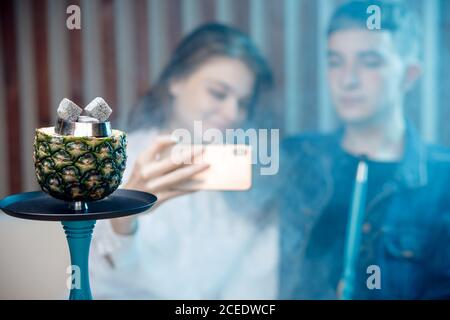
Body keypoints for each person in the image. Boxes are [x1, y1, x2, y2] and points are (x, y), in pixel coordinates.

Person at [90, 23, 276, 299]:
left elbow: (251, 286)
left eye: (243, 103)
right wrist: (125, 216)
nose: (232, 113)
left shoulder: (245, 175)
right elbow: (101, 278)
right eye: (218, 93)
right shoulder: (116, 158)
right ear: (176, 81)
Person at [279, 0, 450, 299]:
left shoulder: (443, 182)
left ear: (409, 75)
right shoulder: (295, 159)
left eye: (370, 62)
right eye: (335, 62)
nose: (348, 80)